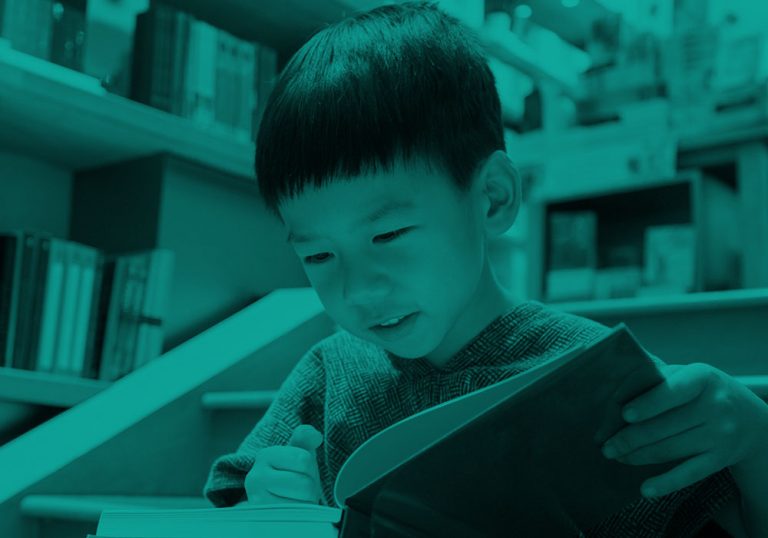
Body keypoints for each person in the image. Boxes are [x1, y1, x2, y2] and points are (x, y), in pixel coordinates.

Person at [203, 3, 768, 536]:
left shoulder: (591, 375)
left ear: (492, 198)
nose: (358, 288)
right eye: (318, 257)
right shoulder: (330, 374)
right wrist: (269, 507)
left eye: (389, 235)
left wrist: (756, 439)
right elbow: (235, 504)